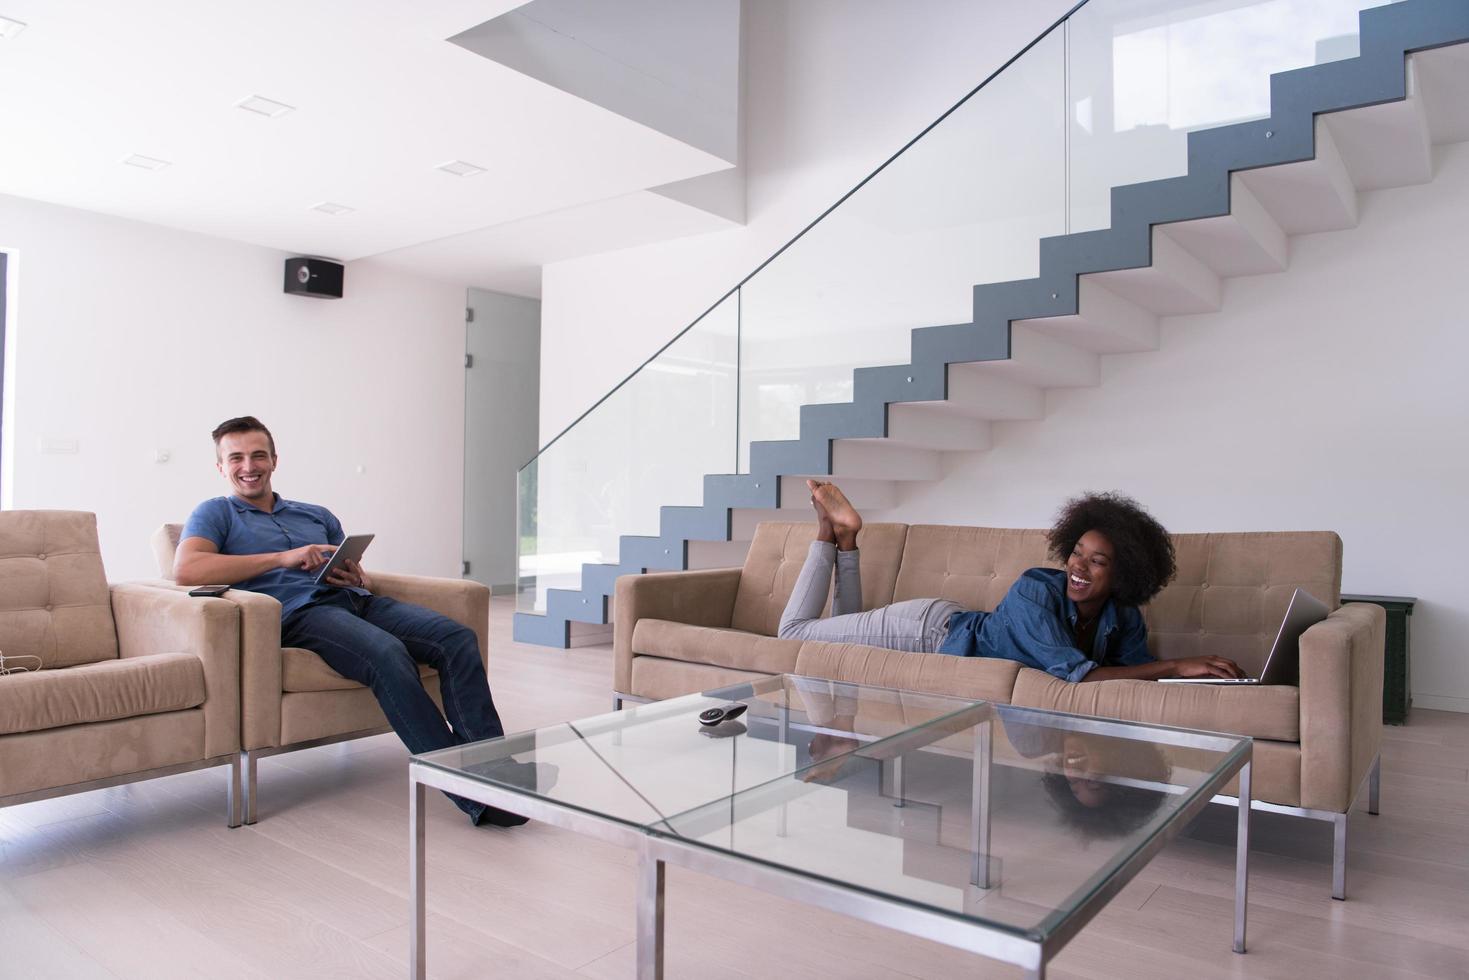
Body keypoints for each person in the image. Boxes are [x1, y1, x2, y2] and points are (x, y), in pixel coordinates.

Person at [174, 416, 532, 827]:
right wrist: (283, 558)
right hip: (302, 616)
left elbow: (347, 564)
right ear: (221, 467)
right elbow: (188, 569)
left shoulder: (314, 514)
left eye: (258, 455)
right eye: (235, 458)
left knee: (457, 638)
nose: (248, 466)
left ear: (274, 460)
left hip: (355, 601)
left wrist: (355, 574)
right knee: (387, 655)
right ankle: (475, 794)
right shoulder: (216, 512)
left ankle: (495, 769)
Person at [779, 480, 1245, 682]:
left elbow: (1129, 676)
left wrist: (1203, 678)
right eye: (1077, 553)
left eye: (1097, 561)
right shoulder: (1034, 590)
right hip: (927, 634)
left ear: (1124, 574)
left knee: (835, 643)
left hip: (941, 628)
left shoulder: (1123, 617)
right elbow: (1082, 677)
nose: (1079, 567)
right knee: (794, 636)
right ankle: (828, 528)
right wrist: (1178, 665)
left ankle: (846, 539)